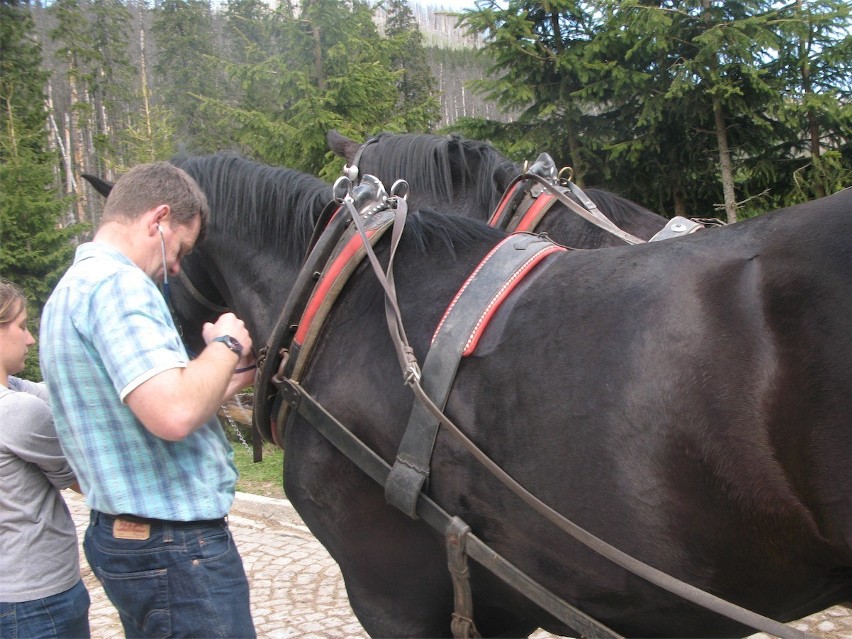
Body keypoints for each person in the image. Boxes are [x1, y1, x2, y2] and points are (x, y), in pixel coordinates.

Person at [39, 162, 257, 638]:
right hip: (175, 550)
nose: (177, 267)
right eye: (180, 249)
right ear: (158, 219)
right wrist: (225, 345)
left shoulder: (70, 291)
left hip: (133, 541)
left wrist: (228, 380)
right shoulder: (118, 287)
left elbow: (141, 406)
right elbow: (175, 412)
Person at [0, 278, 91, 639]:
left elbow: (61, 392)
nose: (30, 339)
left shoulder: (17, 394)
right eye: (22, 327)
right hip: (39, 601)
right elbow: (84, 481)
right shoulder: (16, 413)